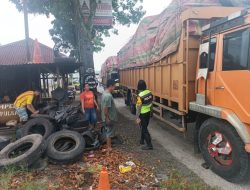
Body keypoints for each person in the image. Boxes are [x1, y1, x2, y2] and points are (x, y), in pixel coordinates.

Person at [136, 80, 153, 150]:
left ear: (139, 86)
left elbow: (138, 107)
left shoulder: (140, 96)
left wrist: (137, 117)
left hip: (142, 114)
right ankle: (142, 141)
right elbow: (151, 103)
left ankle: (149, 145)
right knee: (144, 127)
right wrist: (151, 112)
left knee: (144, 129)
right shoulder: (149, 93)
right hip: (148, 113)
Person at [101, 79, 117, 152]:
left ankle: (108, 145)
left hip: (106, 117)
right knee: (109, 132)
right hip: (109, 118)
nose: (114, 88)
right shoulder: (108, 96)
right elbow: (105, 109)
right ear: (110, 86)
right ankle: (109, 147)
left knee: (108, 131)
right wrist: (107, 118)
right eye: (114, 87)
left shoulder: (104, 93)